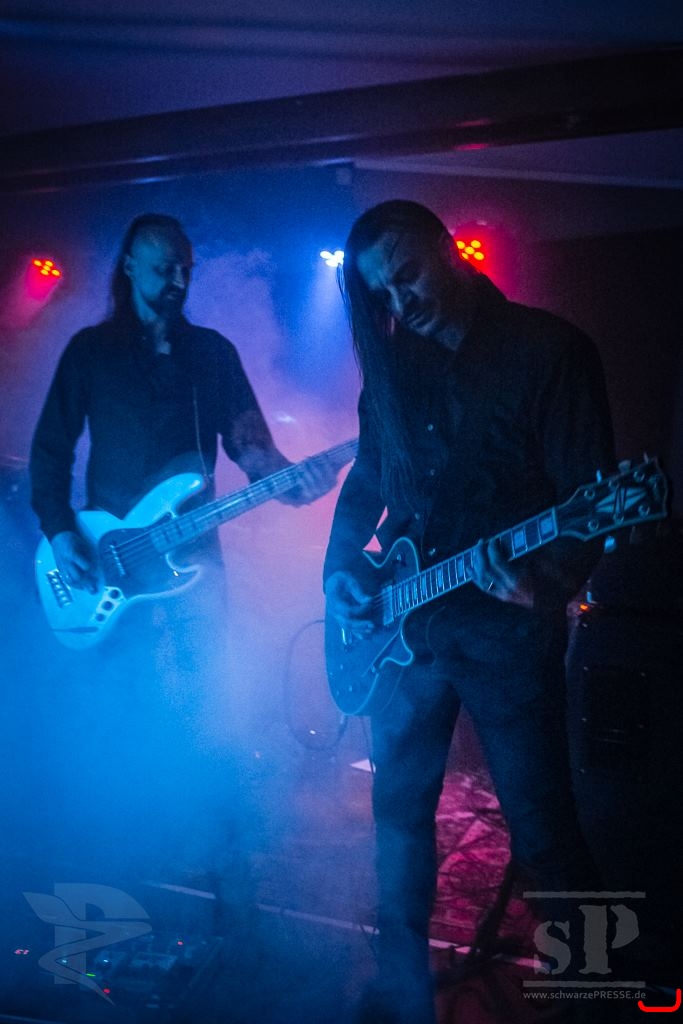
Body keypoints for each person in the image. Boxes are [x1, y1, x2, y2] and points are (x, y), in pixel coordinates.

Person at [324, 200, 615, 1023]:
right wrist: (340, 569)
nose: (399, 301)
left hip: (502, 634)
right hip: (403, 632)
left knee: (544, 830)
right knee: (397, 819)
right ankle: (400, 992)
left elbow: (590, 499)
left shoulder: (547, 351)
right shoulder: (394, 367)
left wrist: (547, 582)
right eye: (381, 292)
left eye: (406, 275)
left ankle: (593, 1003)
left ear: (449, 250)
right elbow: (368, 479)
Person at [28, 212, 337, 889]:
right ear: (129, 265)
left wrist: (292, 482)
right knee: (121, 694)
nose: (177, 280)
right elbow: (49, 453)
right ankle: (120, 843)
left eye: (185, 268)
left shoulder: (211, 355)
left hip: (194, 556)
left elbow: (252, 447)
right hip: (105, 559)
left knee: (206, 689)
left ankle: (215, 847)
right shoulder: (90, 351)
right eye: (164, 267)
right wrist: (61, 533)